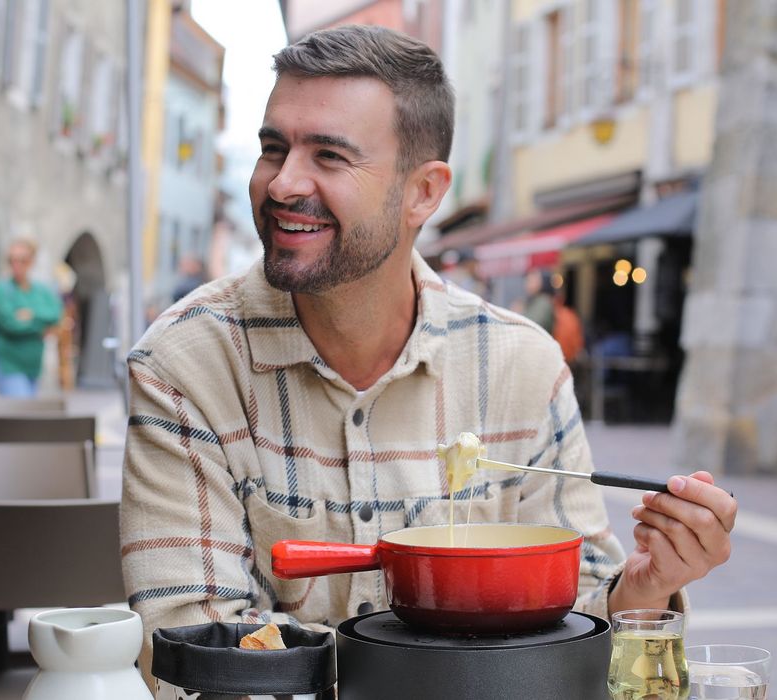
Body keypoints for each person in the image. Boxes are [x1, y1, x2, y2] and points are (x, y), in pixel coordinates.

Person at [121, 25, 735, 650]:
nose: (282, 183)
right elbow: (192, 648)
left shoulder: (522, 364)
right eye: (274, 148)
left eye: (328, 156)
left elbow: (581, 611)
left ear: (423, 192)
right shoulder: (183, 364)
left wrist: (644, 586)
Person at [0, 238, 62, 397]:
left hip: (34, 367)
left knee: (27, 414)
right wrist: (40, 326)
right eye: (12, 260)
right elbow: (11, 324)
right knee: (21, 414)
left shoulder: (41, 290)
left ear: (31, 261)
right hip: (10, 365)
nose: (17, 265)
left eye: (22, 260)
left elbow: (55, 315)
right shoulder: (3, 289)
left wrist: (30, 314)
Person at [521, 269, 556, 333]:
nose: (527, 284)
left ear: (541, 282)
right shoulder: (533, 301)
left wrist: (519, 313)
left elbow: (532, 325)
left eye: (531, 280)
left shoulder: (543, 302)